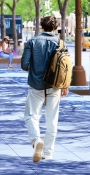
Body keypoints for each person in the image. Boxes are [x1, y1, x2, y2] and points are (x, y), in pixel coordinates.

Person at [22, 15, 67, 163]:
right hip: (54, 86)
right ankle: (47, 153)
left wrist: (34, 69)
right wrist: (65, 85)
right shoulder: (60, 43)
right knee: (52, 120)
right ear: (55, 28)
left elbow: (24, 64)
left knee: (31, 116)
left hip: (36, 84)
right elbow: (65, 67)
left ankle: (36, 141)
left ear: (41, 27)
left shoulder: (32, 42)